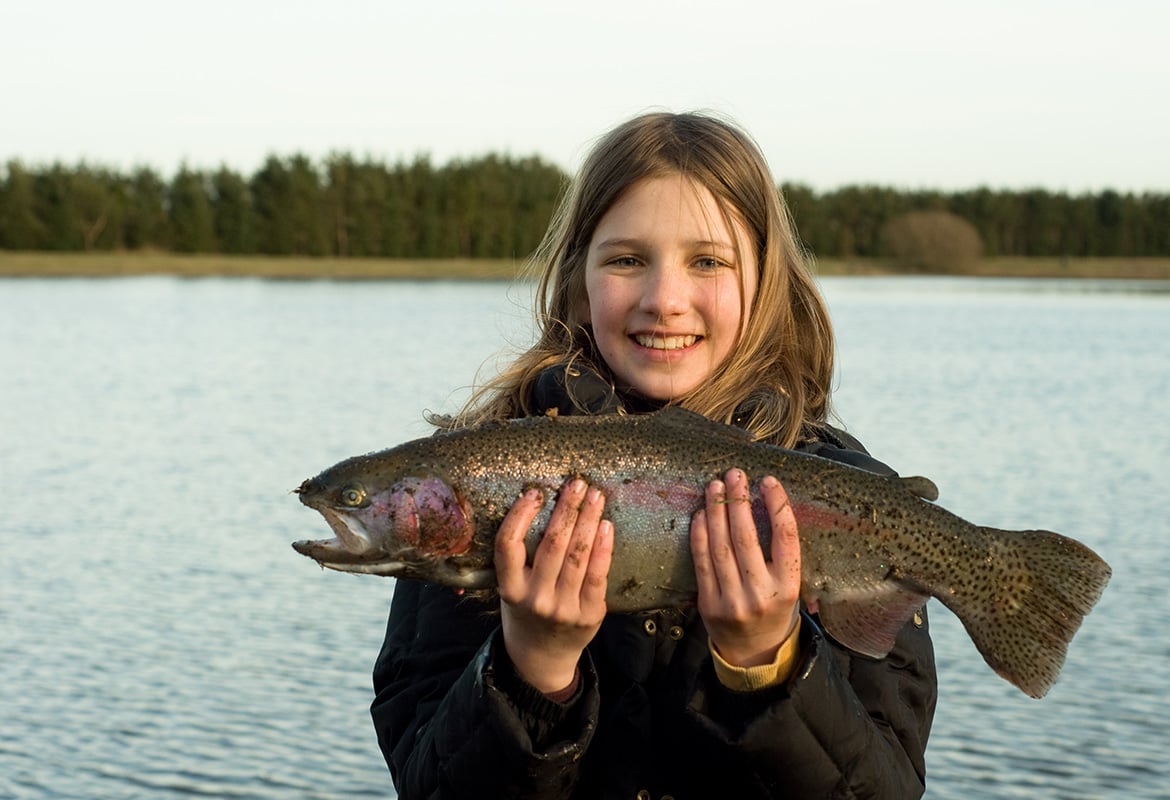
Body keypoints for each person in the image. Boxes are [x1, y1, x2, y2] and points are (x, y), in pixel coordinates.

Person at [370, 111, 937, 799]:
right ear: (578, 283)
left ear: (765, 287)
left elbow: (885, 790)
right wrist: (534, 668)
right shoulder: (476, 483)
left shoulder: (858, 498)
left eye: (707, 262)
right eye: (627, 260)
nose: (665, 299)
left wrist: (769, 662)